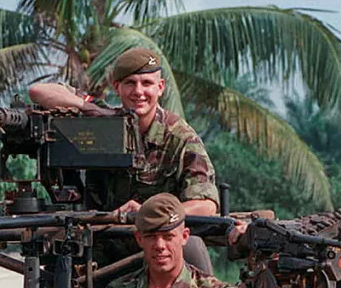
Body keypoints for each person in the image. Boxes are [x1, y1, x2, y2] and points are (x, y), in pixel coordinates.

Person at [28, 47, 220, 222]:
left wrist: (148, 212)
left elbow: (206, 205)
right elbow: (37, 91)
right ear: (116, 87)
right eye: (130, 83)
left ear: (160, 87)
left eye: (147, 83)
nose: (139, 92)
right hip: (100, 240)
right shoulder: (102, 121)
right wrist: (90, 109)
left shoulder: (179, 137)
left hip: (156, 242)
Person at [93, 193, 259, 288]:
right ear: (139, 239)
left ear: (185, 236)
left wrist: (256, 261)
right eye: (151, 236)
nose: (159, 246)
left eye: (168, 236)